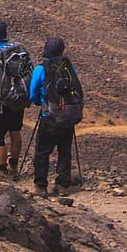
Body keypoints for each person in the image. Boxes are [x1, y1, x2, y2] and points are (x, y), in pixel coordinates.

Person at [29, 36, 84, 194]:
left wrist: (41, 103)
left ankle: (40, 185)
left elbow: (33, 92)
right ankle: (62, 184)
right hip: (68, 116)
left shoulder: (41, 68)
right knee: (64, 150)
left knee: (42, 151)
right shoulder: (68, 67)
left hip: (49, 116)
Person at [0, 19, 32, 177]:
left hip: (0, 100)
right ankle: (15, 165)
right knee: (15, 130)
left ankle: (2, 169)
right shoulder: (17, 51)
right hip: (18, 98)